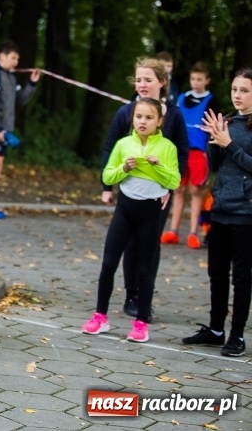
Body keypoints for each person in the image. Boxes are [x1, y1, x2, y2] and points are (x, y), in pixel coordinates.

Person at [83, 98, 180, 343]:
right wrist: (124, 169)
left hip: (150, 212)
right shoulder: (124, 144)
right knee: (108, 262)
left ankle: (141, 323)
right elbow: (108, 174)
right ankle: (100, 316)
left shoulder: (167, 147)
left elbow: (174, 181)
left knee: (145, 268)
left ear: (159, 121)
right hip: (125, 209)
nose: (143, 122)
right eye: (139, 117)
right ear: (132, 119)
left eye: (149, 117)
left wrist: (158, 167)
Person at [101, 58, 189, 318]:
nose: (142, 84)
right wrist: (106, 185)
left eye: (148, 79)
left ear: (162, 83)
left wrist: (170, 187)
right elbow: (110, 147)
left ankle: (144, 299)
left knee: (149, 245)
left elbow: (181, 153)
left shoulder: (174, 115)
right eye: (138, 79)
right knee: (129, 243)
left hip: (159, 193)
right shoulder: (127, 112)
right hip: (130, 191)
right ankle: (132, 295)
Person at [182, 69, 252, 358]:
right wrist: (213, 140)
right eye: (235, 89)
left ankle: (236, 336)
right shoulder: (228, 122)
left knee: (242, 277)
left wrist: (230, 144)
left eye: (245, 90)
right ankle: (215, 329)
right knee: (217, 273)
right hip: (221, 208)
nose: (237, 95)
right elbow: (215, 164)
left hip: (246, 214)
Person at [0, 41, 41, 219]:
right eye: (13, 58)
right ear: (2, 56)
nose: (16, 62)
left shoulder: (11, 77)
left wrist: (32, 84)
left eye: (18, 59)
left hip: (3, 128)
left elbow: (20, 100)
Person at [160, 62, 219, 249]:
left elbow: (215, 129)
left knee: (196, 191)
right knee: (177, 190)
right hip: (178, 151)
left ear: (207, 80)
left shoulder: (211, 101)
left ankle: (193, 232)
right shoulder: (181, 98)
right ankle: (173, 230)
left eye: (200, 79)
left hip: (199, 153)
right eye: (193, 78)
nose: (196, 82)